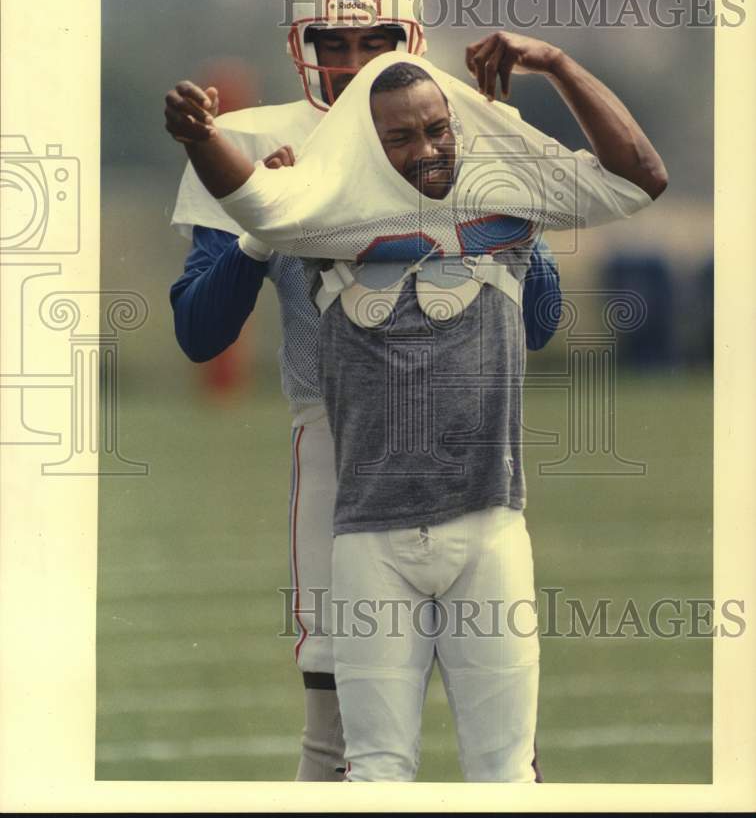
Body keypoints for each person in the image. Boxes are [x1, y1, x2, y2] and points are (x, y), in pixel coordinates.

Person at [167, 46, 667, 781]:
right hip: (369, 535)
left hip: (487, 525)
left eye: (437, 128)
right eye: (400, 137)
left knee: (504, 772)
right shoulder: (322, 209)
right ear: (367, 142)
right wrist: (200, 136)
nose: (427, 148)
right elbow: (251, 205)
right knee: (371, 770)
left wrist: (557, 65)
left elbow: (640, 179)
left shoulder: (508, 190)